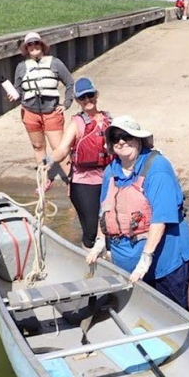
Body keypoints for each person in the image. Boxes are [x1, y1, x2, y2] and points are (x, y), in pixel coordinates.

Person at [85, 116, 189, 309]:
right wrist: (100, 242)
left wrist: (146, 258)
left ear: (139, 139)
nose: (121, 141)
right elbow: (105, 209)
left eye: (127, 136)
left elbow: (160, 218)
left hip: (164, 264)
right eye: (116, 137)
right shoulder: (111, 170)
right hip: (125, 265)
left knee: (172, 312)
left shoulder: (158, 167)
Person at [49, 77, 112, 249]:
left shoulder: (109, 120)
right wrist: (48, 162)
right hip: (84, 182)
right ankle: (89, 264)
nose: (87, 100)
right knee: (91, 230)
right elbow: (62, 150)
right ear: (77, 100)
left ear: (96, 95)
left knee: (111, 226)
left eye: (90, 95)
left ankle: (110, 260)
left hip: (109, 179)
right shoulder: (76, 123)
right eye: (82, 98)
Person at [8, 32, 75, 180]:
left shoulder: (55, 63)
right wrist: (14, 94)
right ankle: (44, 180)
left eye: (36, 43)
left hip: (51, 112)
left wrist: (66, 103)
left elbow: (70, 83)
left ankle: (73, 181)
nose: (33, 47)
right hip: (30, 113)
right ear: (26, 49)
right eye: (30, 45)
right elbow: (18, 89)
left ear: (42, 45)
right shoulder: (21, 67)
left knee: (59, 149)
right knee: (38, 147)